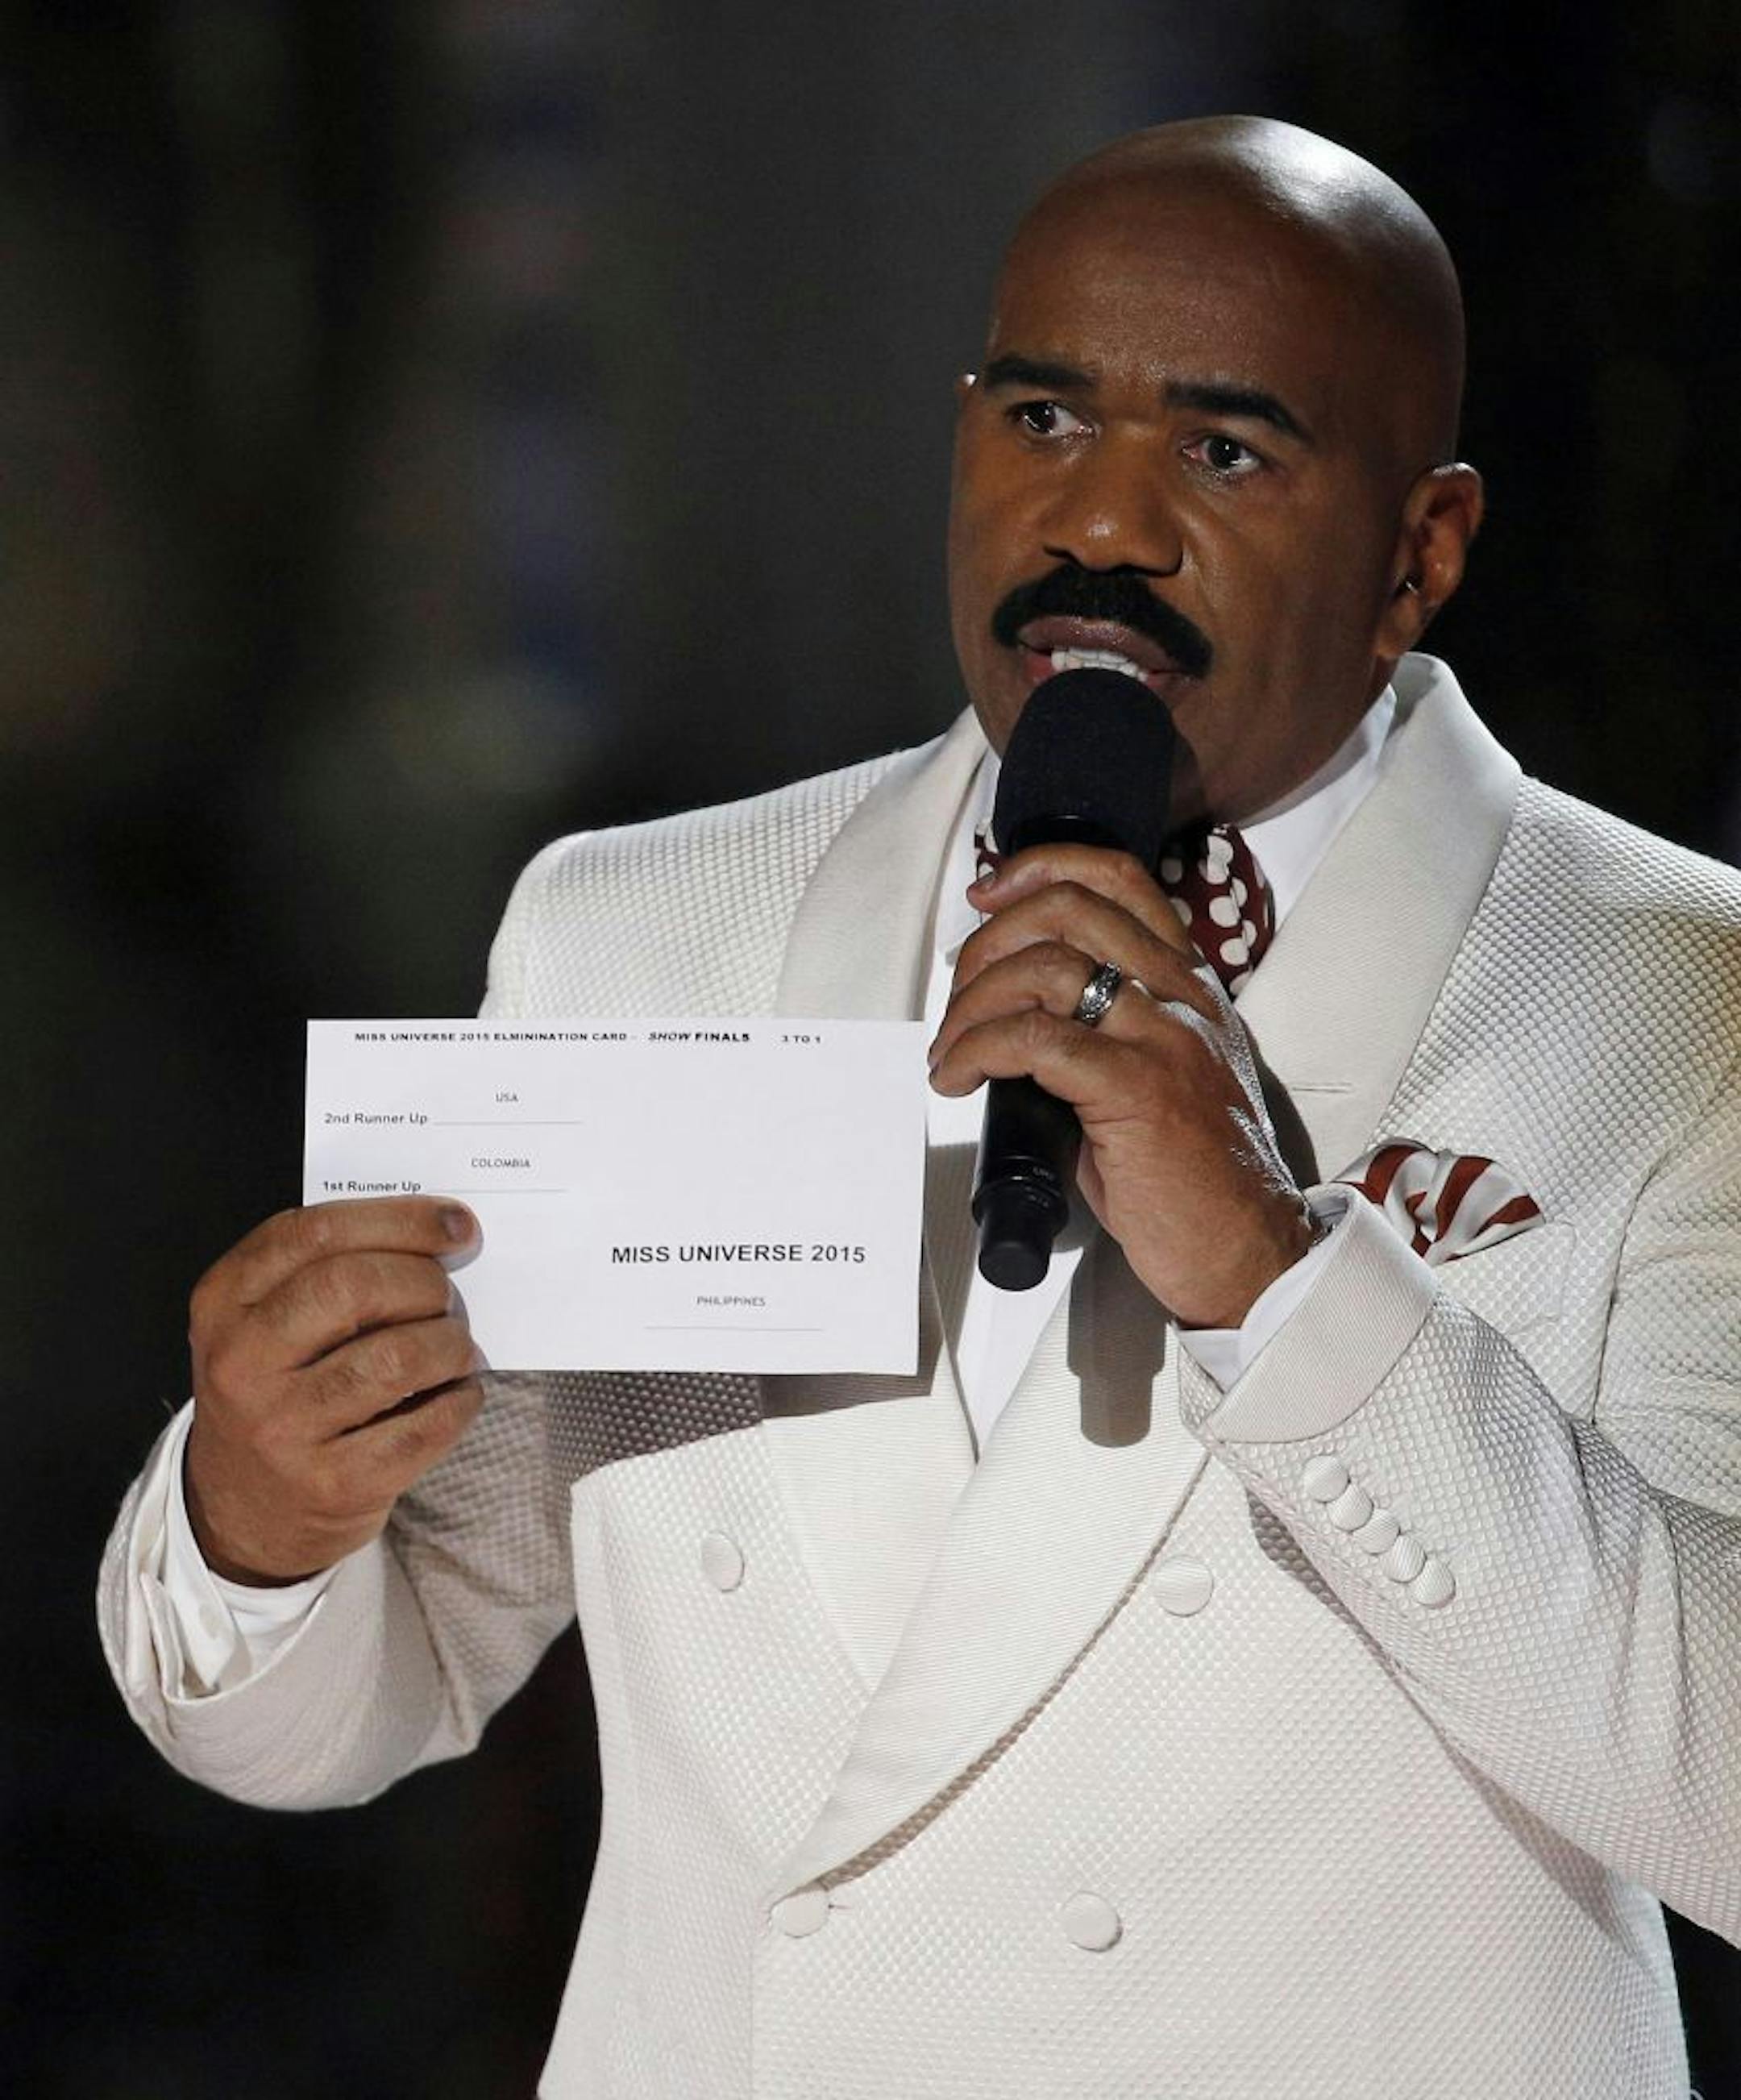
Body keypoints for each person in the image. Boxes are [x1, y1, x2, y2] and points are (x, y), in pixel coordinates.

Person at [99, 116, 1741, 2098]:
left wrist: (1288, 1287)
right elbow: (360, 1697)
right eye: (1044, 418)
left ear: (1422, 552)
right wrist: (261, 1518)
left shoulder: (1678, 987)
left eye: (1223, 451)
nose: (1103, 524)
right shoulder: (637, 931)